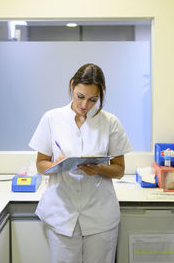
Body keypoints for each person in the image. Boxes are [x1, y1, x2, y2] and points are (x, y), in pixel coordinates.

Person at [29, 63, 132, 263]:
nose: (85, 105)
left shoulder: (110, 122)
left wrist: (99, 168)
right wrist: (55, 165)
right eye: (80, 96)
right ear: (72, 86)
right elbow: (40, 163)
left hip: (100, 216)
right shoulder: (52, 118)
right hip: (61, 214)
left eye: (93, 99)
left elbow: (119, 170)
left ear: (101, 95)